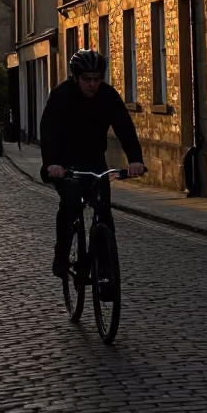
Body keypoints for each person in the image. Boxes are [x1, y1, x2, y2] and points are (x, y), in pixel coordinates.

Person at [40, 49, 145, 278]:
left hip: (95, 161)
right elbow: (48, 132)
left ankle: (107, 271)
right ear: (76, 78)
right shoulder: (62, 95)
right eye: (87, 79)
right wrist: (52, 164)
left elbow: (124, 127)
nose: (92, 85)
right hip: (64, 164)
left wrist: (136, 159)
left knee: (104, 212)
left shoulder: (108, 96)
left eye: (97, 79)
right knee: (71, 204)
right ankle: (61, 257)